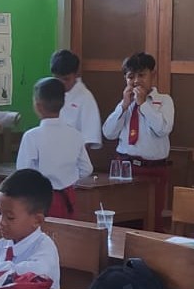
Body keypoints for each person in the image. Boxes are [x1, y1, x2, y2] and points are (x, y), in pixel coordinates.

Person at [102, 52, 174, 231]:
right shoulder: (125, 104)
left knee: (152, 221)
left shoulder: (164, 101)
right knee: (123, 219)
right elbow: (108, 133)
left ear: (152, 75)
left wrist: (143, 104)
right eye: (130, 77)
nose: (136, 81)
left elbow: (162, 129)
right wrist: (123, 106)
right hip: (125, 168)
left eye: (141, 75)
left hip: (153, 170)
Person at [16, 77, 93, 218]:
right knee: (67, 230)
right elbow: (87, 168)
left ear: (38, 105)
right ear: (63, 103)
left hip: (41, 200)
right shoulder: (75, 134)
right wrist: (68, 177)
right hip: (68, 198)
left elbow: (23, 173)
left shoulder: (31, 136)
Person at [50, 49, 103, 151]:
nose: (61, 83)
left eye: (66, 79)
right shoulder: (50, 92)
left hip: (74, 153)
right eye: (57, 78)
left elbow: (89, 138)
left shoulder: (85, 97)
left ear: (76, 75)